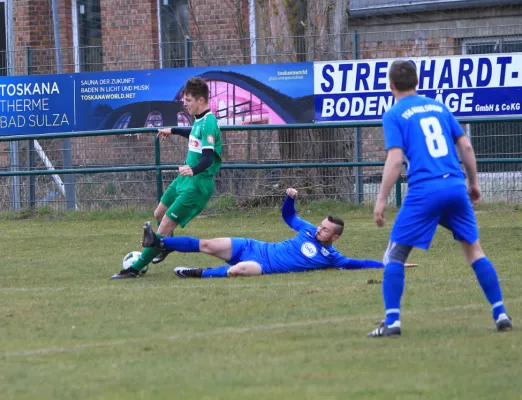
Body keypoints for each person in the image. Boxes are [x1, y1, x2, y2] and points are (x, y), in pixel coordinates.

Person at [367, 60, 512, 337]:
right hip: (455, 186)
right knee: (474, 251)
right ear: (417, 83)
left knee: (395, 254)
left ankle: (393, 322)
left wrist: (381, 199)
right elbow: (466, 145)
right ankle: (500, 313)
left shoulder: (394, 113)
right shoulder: (439, 107)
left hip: (424, 190)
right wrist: (474, 183)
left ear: (391, 85)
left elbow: (395, 159)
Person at [139, 188, 416, 278]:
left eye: (325, 230)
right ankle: (161, 241)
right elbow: (288, 216)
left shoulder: (332, 258)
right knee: (208, 243)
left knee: (238, 271)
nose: (319, 230)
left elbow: (359, 264)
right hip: (255, 246)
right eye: (320, 226)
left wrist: (391, 264)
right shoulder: (308, 230)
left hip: (262, 265)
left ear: (335, 238)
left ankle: (197, 273)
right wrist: (290, 199)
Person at [110, 77, 222, 279]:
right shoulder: (200, 121)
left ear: (201, 101)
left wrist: (193, 170)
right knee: (159, 213)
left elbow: (207, 159)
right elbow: (193, 134)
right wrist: (173, 130)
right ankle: (166, 245)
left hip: (197, 184)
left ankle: (134, 268)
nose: (185, 103)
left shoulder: (209, 123)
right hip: (185, 178)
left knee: (164, 226)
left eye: (188, 100)